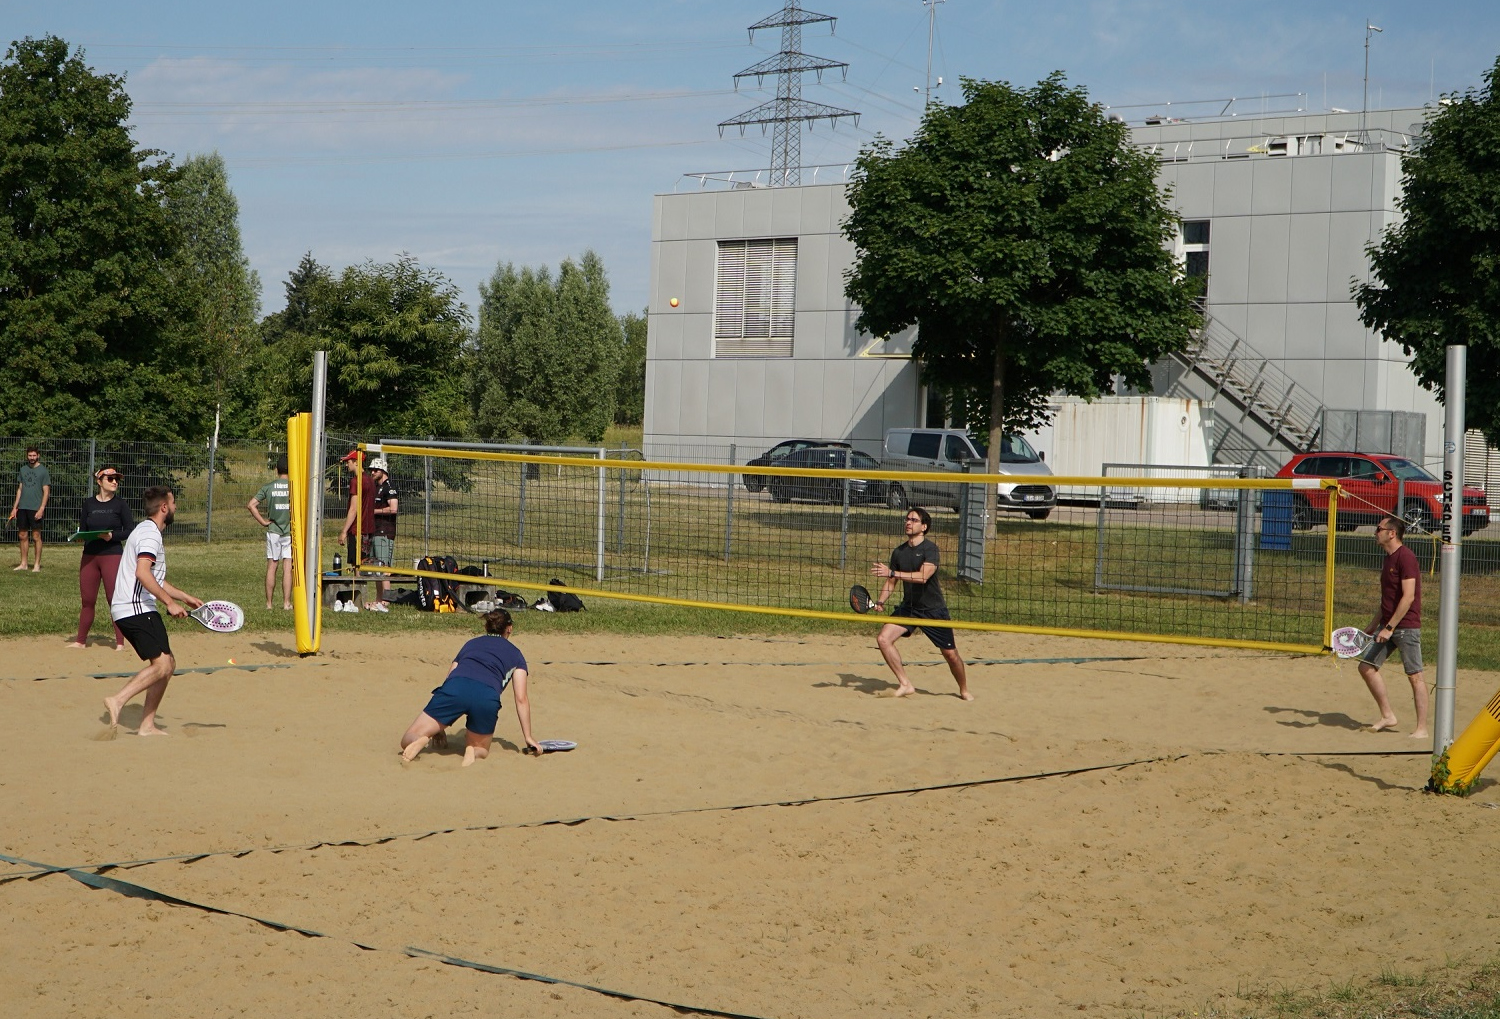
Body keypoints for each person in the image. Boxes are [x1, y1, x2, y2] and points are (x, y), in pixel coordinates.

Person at [103, 486, 203, 736]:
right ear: (164, 508)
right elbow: (142, 573)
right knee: (162, 664)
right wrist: (169, 603)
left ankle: (147, 725)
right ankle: (117, 700)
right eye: (174, 503)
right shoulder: (150, 536)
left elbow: (155, 578)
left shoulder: (145, 530)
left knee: (167, 664)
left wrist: (184, 597)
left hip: (133, 608)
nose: (176, 507)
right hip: (135, 608)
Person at [399, 608, 542, 765]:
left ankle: (421, 739)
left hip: (455, 687)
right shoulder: (516, 654)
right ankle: (472, 751)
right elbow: (521, 698)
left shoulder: (471, 644)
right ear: (510, 628)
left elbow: (449, 677)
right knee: (481, 750)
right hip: (486, 696)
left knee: (409, 736)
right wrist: (528, 737)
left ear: (486, 627)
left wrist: (439, 727)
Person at [869, 506, 972, 700]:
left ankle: (964, 689)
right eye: (907, 519)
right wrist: (881, 601)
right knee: (883, 639)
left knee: (950, 654)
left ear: (924, 527)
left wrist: (892, 572)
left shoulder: (930, 549)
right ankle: (905, 684)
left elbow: (923, 577)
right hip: (910, 607)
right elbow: (891, 583)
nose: (908, 522)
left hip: (933, 609)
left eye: (914, 520)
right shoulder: (899, 552)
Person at [1358, 515, 1428, 738]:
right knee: (1366, 667)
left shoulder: (1405, 557)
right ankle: (1388, 715)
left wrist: (1389, 628)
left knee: (1415, 676)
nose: (1375, 531)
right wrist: (1372, 626)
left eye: (1379, 528)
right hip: (1387, 624)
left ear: (1392, 533)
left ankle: (1422, 729)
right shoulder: (1388, 558)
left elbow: (1407, 598)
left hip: (1405, 625)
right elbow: (1387, 599)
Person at [66, 467, 135, 650]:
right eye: (110, 478)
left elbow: (129, 530)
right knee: (87, 600)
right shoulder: (88, 503)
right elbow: (83, 529)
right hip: (89, 556)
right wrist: (80, 536)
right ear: (99, 481)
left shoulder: (121, 504)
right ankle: (81, 641)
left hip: (112, 554)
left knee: (114, 599)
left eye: (116, 479)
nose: (114, 482)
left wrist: (112, 536)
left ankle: (120, 642)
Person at [248, 458, 294, 610]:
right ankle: (287, 603)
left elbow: (251, 505)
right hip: (290, 531)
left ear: (276, 469)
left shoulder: (269, 487)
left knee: (272, 566)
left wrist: (262, 521)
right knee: (287, 567)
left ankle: (269, 604)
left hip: (273, 530)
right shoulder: (294, 487)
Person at [336, 450, 376, 611]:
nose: (347, 464)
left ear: (357, 462)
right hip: (369, 528)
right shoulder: (371, 481)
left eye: (349, 461)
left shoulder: (356, 481)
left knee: (356, 564)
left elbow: (354, 508)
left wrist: (344, 531)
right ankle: (359, 599)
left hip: (357, 529)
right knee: (362, 563)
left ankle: (356, 601)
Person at [8, 446, 50, 572]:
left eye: (34, 455)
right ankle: (24, 564)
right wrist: (15, 508)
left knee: (36, 536)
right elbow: (20, 489)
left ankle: (36, 565)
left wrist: (41, 508)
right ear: (27, 456)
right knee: (22, 535)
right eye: (30, 455)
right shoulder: (23, 469)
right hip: (23, 507)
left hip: (35, 508)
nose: (32, 458)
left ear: (38, 456)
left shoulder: (43, 471)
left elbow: (46, 491)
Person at [368, 456, 398, 611]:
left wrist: (374, 511)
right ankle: (378, 599)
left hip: (385, 532)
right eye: (371, 470)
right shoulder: (376, 486)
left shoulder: (389, 487)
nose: (372, 472)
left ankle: (385, 601)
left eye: (375, 469)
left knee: (384, 567)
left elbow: (393, 508)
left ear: (383, 470)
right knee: (377, 567)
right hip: (375, 531)